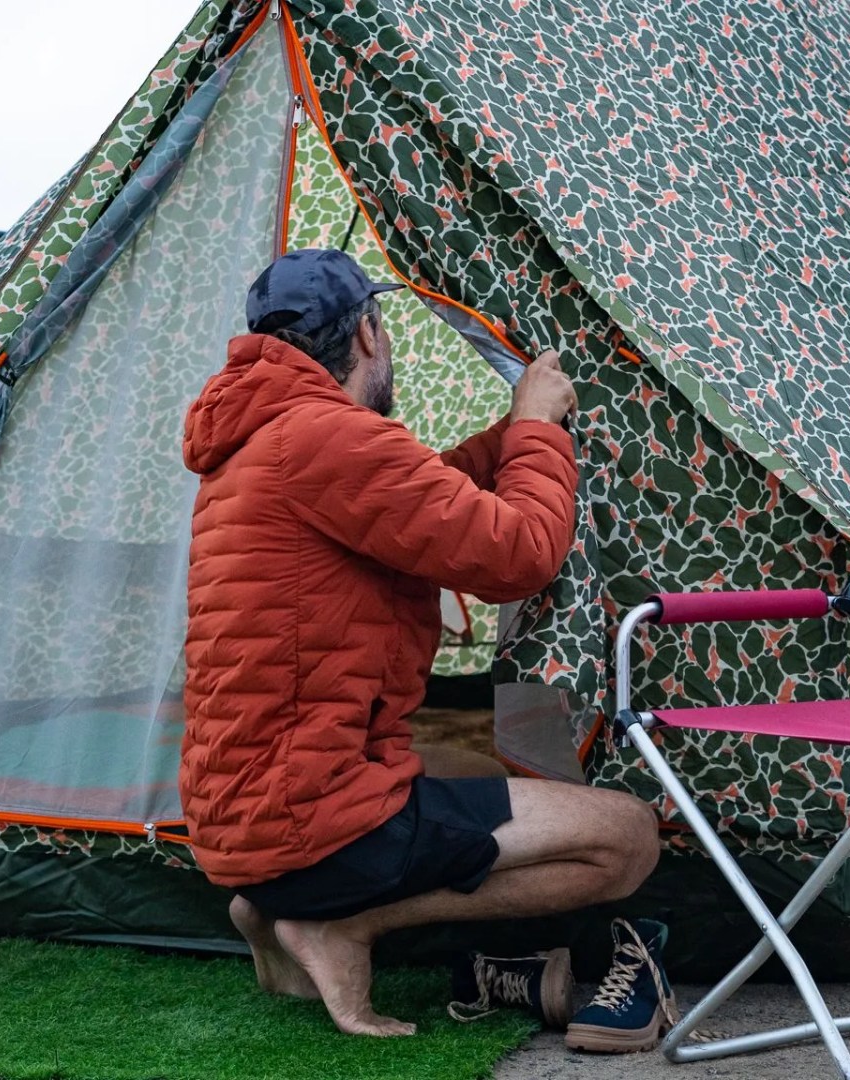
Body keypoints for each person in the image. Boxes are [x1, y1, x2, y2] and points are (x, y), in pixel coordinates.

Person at [179, 249, 667, 1044]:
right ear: (369, 334)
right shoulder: (324, 437)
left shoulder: (264, 438)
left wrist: (513, 434)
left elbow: (422, 492)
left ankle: (281, 901)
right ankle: (342, 922)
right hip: (317, 820)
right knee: (624, 839)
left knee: (486, 788)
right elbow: (520, 555)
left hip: (249, 814)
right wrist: (540, 428)